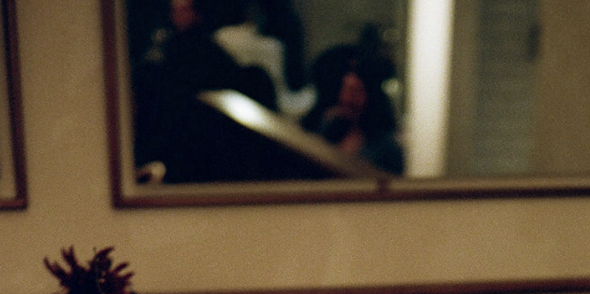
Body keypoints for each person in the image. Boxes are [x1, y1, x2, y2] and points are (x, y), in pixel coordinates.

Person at [131, 0, 280, 183]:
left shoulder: (205, 50)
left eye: (183, 10)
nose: (177, 16)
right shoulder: (169, 53)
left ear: (199, 12)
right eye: (175, 11)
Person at [300, 32, 403, 176]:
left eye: (356, 92)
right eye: (344, 90)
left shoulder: (386, 147)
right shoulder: (326, 128)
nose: (346, 99)